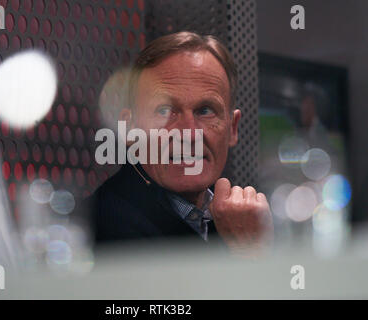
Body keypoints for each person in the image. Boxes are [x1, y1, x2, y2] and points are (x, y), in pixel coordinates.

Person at [83, 31, 273, 254]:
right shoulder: (107, 229)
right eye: (164, 111)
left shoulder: (228, 218)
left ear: (232, 128)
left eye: (205, 111)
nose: (189, 134)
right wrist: (247, 252)